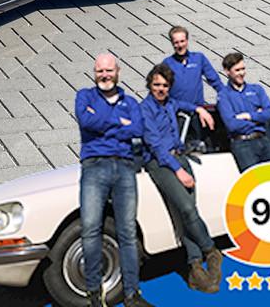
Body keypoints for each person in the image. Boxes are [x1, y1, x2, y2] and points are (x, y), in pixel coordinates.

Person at [75, 53, 154, 307]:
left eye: (109, 70)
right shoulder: (84, 96)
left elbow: (137, 129)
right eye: (100, 71)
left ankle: (132, 295)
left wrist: (103, 124)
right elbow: (86, 121)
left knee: (128, 232)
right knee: (90, 229)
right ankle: (94, 295)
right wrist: (120, 124)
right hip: (94, 167)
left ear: (118, 71)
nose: (104, 75)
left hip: (124, 168)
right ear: (94, 73)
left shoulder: (130, 102)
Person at [141, 63, 222, 293]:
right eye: (157, 85)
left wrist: (200, 110)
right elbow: (156, 147)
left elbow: (185, 105)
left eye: (165, 86)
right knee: (186, 209)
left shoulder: (171, 103)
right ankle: (211, 250)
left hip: (180, 156)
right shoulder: (144, 110)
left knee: (188, 212)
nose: (161, 89)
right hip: (161, 163)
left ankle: (194, 268)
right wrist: (179, 171)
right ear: (150, 85)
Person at [216, 52, 270, 171]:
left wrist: (249, 116)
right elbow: (232, 124)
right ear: (227, 71)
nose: (241, 73)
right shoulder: (224, 95)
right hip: (242, 144)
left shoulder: (257, 89)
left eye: (243, 69)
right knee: (253, 179)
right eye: (237, 70)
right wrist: (259, 117)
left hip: (263, 140)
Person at [164, 27, 221, 145]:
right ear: (172, 43)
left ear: (187, 41)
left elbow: (215, 81)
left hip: (198, 113)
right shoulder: (167, 64)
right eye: (176, 42)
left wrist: (228, 98)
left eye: (182, 41)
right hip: (177, 115)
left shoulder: (199, 58)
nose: (180, 45)